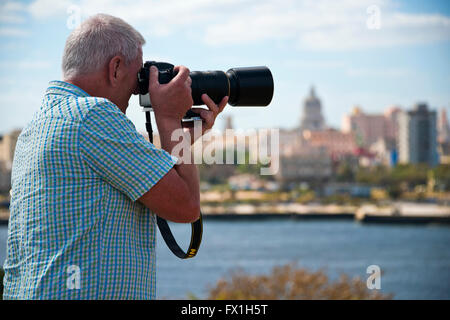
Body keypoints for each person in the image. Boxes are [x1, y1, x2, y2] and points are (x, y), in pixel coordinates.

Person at [2, 13, 227, 300]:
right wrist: (169, 120)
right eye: (139, 77)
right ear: (116, 67)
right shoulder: (93, 115)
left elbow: (143, 183)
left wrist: (181, 138)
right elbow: (186, 207)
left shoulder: (39, 125)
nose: (139, 90)